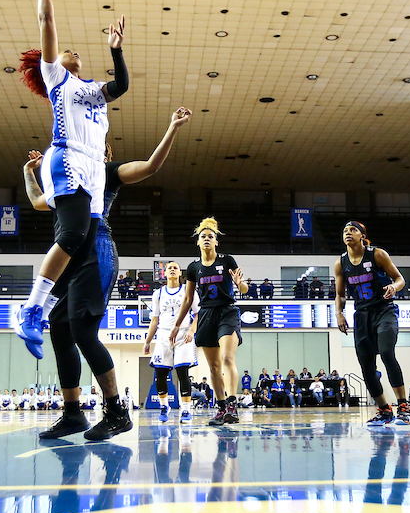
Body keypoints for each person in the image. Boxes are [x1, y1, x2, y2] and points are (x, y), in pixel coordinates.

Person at [24, 109, 190, 440]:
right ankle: (72, 414)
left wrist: (171, 127)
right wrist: (28, 172)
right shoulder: (66, 181)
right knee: (59, 327)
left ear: (103, 150)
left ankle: (116, 411)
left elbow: (150, 167)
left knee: (84, 332)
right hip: (71, 259)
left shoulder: (106, 171)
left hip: (97, 253)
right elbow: (37, 202)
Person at [12, 0, 130, 353]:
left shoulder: (94, 91)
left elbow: (122, 85)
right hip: (66, 158)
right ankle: (31, 309)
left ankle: (47, 306)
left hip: (93, 169)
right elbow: (46, 24)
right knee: (73, 233)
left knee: (84, 239)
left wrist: (116, 51)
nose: (72, 51)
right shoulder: (56, 79)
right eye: (65, 52)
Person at [170, 218, 248, 427]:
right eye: (203, 236)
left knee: (227, 358)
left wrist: (240, 284)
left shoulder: (227, 261)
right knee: (213, 367)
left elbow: (244, 288)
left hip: (227, 312)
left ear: (216, 242)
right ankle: (221, 408)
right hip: (206, 314)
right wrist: (178, 324)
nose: (206, 239)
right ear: (197, 242)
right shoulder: (193, 268)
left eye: (210, 236)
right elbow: (187, 299)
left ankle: (232, 405)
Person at [334, 221, 410, 427]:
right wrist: (339, 313)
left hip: (384, 310)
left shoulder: (377, 254)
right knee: (366, 366)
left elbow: (399, 278)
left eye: (353, 230)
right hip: (362, 316)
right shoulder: (340, 263)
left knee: (387, 352)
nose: (348, 233)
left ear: (362, 235)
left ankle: (403, 406)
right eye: (345, 231)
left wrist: (394, 287)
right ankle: (384, 410)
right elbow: (340, 294)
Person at [143, 260, 199, 424]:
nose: (173, 270)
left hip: (183, 334)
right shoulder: (158, 294)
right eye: (169, 268)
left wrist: (191, 331)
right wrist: (147, 341)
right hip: (163, 335)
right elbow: (154, 319)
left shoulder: (189, 291)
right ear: (165, 273)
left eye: (176, 268)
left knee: (183, 373)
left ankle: (186, 410)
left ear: (180, 273)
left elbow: (197, 314)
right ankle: (164, 406)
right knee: (160, 374)